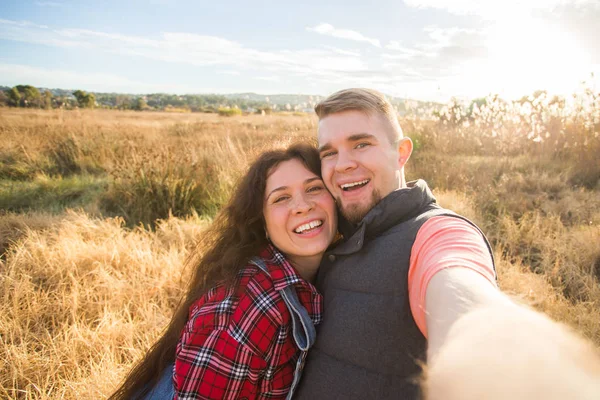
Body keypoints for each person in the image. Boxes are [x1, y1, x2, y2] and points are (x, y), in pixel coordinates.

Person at [294, 88, 600, 400]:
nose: (342, 164)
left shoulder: (435, 232)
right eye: (329, 153)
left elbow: (463, 296)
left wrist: (507, 359)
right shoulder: (328, 230)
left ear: (401, 152)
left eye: (361, 144)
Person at [110, 143, 337, 399]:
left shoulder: (325, 275)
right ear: (261, 224)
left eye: (314, 188)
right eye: (281, 198)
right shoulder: (252, 303)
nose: (302, 206)